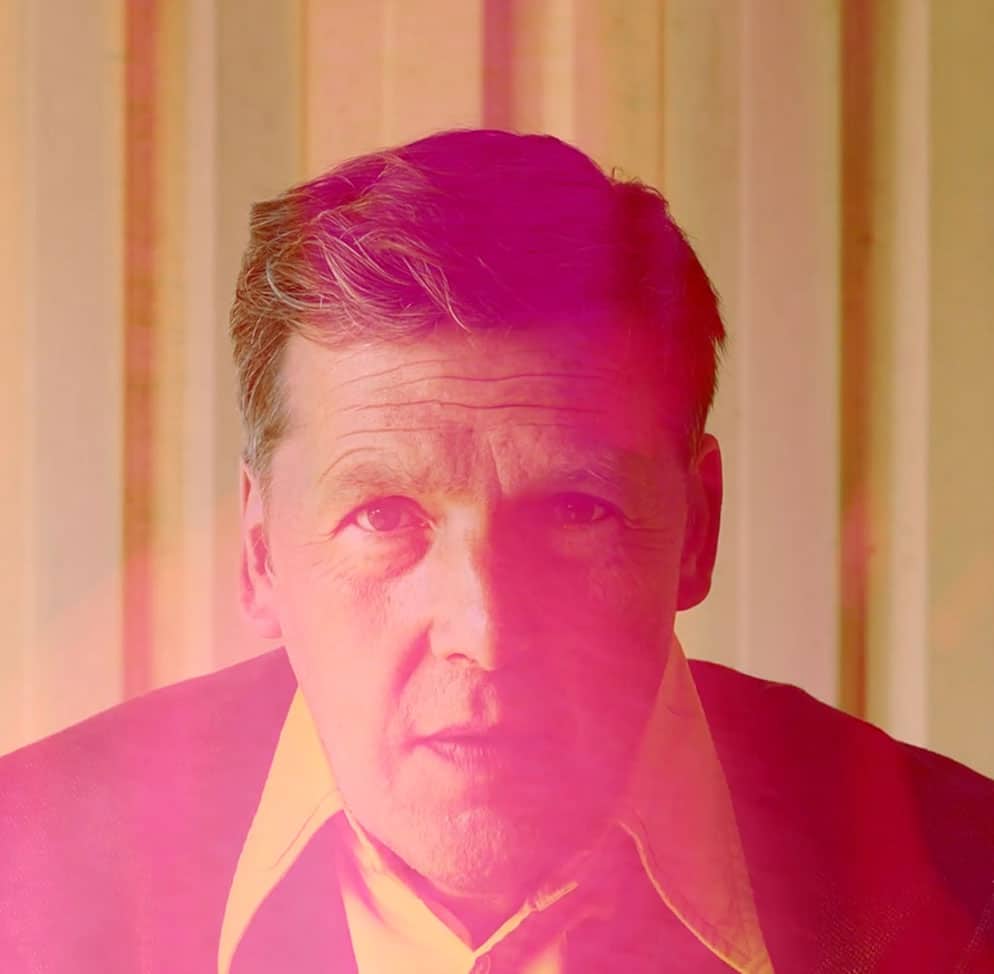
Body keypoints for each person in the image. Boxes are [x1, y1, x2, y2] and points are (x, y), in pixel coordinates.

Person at [2, 129, 993, 973]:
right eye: (384, 515)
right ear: (261, 552)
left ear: (697, 527)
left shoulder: (965, 885)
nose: (486, 633)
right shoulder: (23, 874)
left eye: (575, 510)